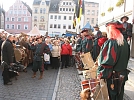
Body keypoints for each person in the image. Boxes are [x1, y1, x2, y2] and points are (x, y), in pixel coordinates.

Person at [97, 21, 130, 100]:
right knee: (119, 96)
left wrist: (100, 74)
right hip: (122, 75)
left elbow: (107, 62)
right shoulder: (125, 43)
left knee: (111, 96)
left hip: (113, 77)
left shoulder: (112, 42)